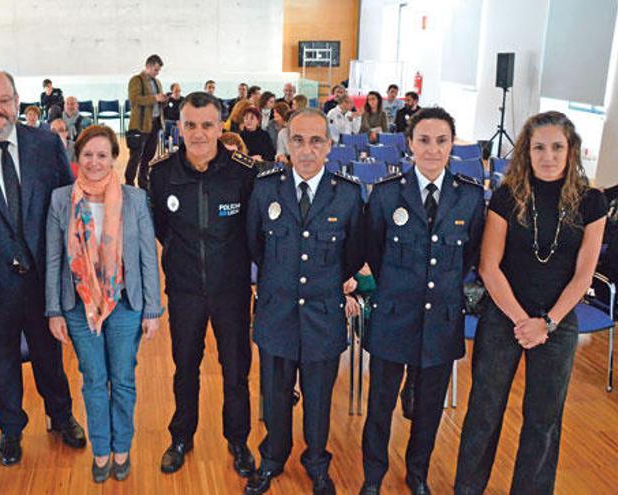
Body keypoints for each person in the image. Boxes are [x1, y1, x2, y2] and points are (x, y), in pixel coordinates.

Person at [454, 111, 607, 495]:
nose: (548, 156)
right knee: (484, 414)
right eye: (539, 147)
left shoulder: (592, 202)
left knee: (544, 420)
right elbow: (489, 268)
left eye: (557, 147)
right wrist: (524, 321)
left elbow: (583, 277)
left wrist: (548, 324)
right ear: (527, 151)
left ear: (571, 151)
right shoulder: (507, 197)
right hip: (505, 315)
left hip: (557, 322)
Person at [0, 70, 85, 468]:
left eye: (4, 100)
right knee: (0, 361)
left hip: (44, 279)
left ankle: (60, 416)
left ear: (16, 100)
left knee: (49, 355)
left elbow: (68, 207)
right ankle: (11, 429)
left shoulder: (46, 144)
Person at [360, 107, 485, 495]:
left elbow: (469, 256)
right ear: (410, 143)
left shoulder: (469, 196)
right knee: (380, 407)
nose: (433, 150)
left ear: (453, 145)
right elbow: (374, 250)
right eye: (424, 140)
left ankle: (417, 474)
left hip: (441, 320)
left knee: (429, 410)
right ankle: (373, 477)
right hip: (393, 316)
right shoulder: (385, 194)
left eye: (442, 141)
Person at [244, 107, 365, 495]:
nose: (307, 150)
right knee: (275, 396)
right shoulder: (265, 188)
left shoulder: (347, 195)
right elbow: (255, 245)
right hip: (277, 312)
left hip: (322, 315)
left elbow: (354, 252)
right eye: (298, 140)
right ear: (287, 143)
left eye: (316, 141)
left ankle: (316, 462)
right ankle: (272, 458)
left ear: (329, 146)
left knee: (317, 398)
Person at [46, 125, 163, 483]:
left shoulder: (134, 198)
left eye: (102, 155)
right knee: (94, 380)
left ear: (114, 158)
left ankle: (121, 447)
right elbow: (53, 258)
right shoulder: (61, 199)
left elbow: (147, 256)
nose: (94, 162)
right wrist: (54, 310)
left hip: (126, 304)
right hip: (78, 306)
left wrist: (153, 309)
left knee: (123, 379)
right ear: (77, 159)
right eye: (87, 155)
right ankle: (100, 449)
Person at [148, 92, 257, 478]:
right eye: (190, 125)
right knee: (185, 368)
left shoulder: (244, 173)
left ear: (220, 127)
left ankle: (239, 440)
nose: (198, 133)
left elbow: (253, 233)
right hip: (185, 290)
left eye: (207, 125)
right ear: (180, 127)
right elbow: (161, 229)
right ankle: (181, 437)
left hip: (231, 292)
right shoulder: (161, 174)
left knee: (236, 370)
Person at [125, 54, 166, 189]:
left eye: (158, 70)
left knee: (149, 155)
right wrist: (155, 98)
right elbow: (135, 100)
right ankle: (129, 183)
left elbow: (157, 102)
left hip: (155, 123)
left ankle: (143, 182)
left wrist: (164, 100)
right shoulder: (136, 80)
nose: (157, 73)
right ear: (148, 66)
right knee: (135, 156)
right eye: (155, 70)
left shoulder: (157, 82)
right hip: (140, 125)